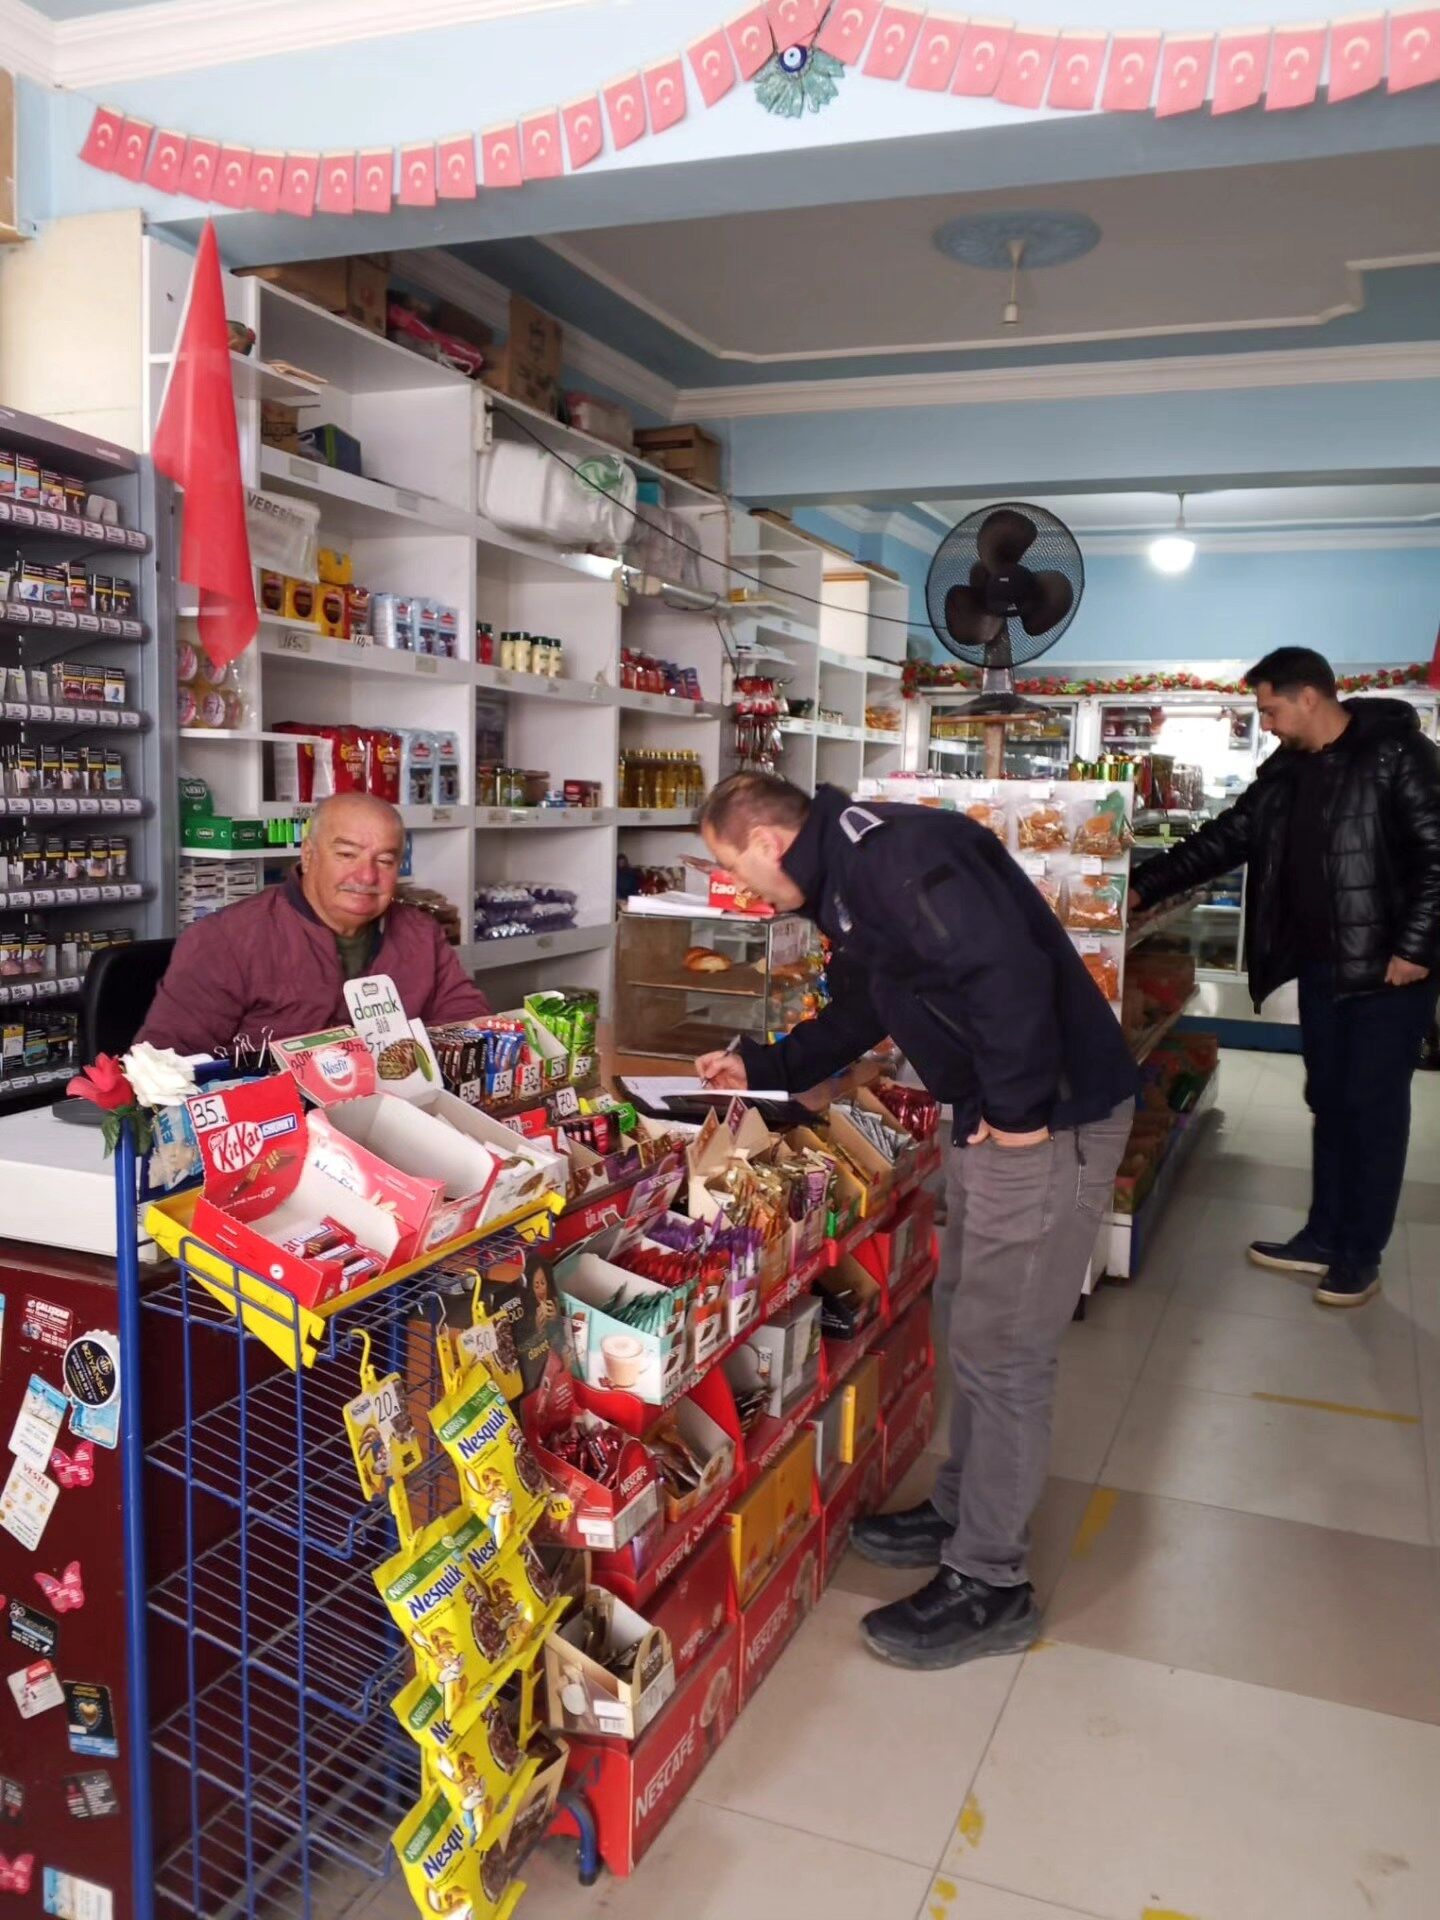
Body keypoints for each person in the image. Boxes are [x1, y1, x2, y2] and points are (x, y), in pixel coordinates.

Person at [695, 773, 1137, 1671]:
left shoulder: (891, 857)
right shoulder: (850, 882)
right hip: (993, 1111)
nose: (740, 889)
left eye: (733, 865)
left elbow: (1004, 971)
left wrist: (1016, 1112)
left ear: (771, 843)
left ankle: (992, 1581)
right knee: (975, 1317)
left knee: (1006, 1349)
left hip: (1045, 1119)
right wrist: (768, 1062)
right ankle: (965, 1506)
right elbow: (867, 1004)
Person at [1131, 647, 1440, 1308]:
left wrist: (1416, 947)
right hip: (1321, 964)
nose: (1265, 722)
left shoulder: (1399, 755)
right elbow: (1226, 837)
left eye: (1270, 708)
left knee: (1373, 1111)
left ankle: (1360, 1254)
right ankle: (1323, 1235)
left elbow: (1437, 856)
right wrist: (1139, 887)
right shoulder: (1287, 770)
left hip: (1391, 971)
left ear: (1308, 697)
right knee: (1328, 1101)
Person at [138, 791, 487, 1057]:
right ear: (308, 854)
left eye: (384, 860)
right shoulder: (225, 940)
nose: (366, 875)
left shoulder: (421, 934)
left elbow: (469, 1024)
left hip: (389, 1123)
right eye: (347, 855)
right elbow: (164, 1065)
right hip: (268, 1133)